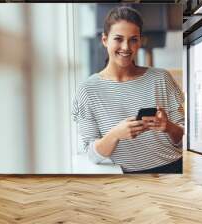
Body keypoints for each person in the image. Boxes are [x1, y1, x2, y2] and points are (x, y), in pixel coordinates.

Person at [72, 6, 184, 174]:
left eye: (133, 39)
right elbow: (92, 155)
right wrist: (115, 134)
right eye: (118, 39)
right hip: (126, 176)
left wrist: (168, 126)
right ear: (105, 40)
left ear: (140, 41)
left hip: (173, 169)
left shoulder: (161, 78)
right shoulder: (87, 90)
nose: (126, 47)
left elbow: (183, 137)